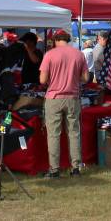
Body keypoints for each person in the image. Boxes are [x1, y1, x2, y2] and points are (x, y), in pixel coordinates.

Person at [38, 29, 89, 177]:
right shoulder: (78, 54)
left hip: (54, 98)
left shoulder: (49, 55)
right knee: (74, 133)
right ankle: (75, 168)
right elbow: (86, 78)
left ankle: (54, 170)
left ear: (55, 40)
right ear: (68, 39)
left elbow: (42, 80)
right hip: (72, 97)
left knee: (53, 134)